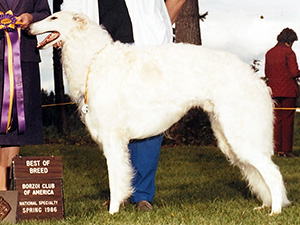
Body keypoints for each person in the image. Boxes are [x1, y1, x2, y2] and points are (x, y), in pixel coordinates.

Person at [62, 0, 185, 210]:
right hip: (101, 52)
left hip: (143, 48)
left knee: (148, 119)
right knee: (111, 128)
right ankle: (119, 192)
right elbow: (70, 9)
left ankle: (142, 195)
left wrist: (161, 23)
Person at [0, 0, 51, 190]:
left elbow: (44, 12)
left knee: (15, 127)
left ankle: (5, 190)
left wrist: (30, 18)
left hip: (25, 57)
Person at [265, 28, 300, 157]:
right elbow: (294, 72)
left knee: (277, 120)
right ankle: (286, 151)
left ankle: (277, 149)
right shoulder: (289, 53)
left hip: (273, 91)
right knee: (287, 121)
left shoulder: (269, 53)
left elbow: (267, 73)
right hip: (288, 92)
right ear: (288, 41)